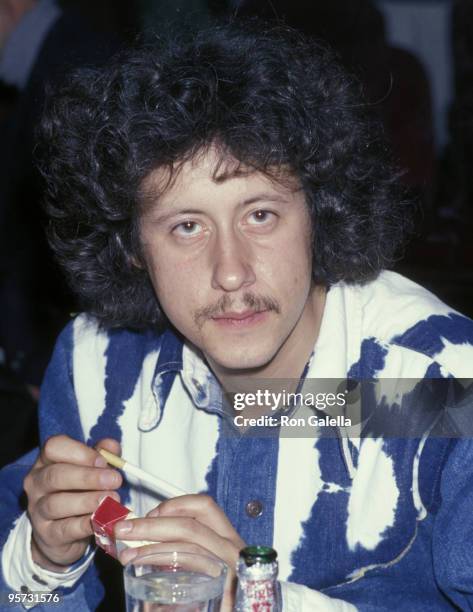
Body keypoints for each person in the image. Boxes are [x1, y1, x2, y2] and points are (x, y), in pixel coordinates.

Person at [0, 20, 472, 611]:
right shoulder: (98, 367)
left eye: (260, 216)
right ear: (132, 249)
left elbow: (317, 408)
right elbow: (25, 599)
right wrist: (44, 562)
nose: (231, 271)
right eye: (187, 226)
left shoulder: (437, 384)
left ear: (319, 214)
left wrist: (262, 600)